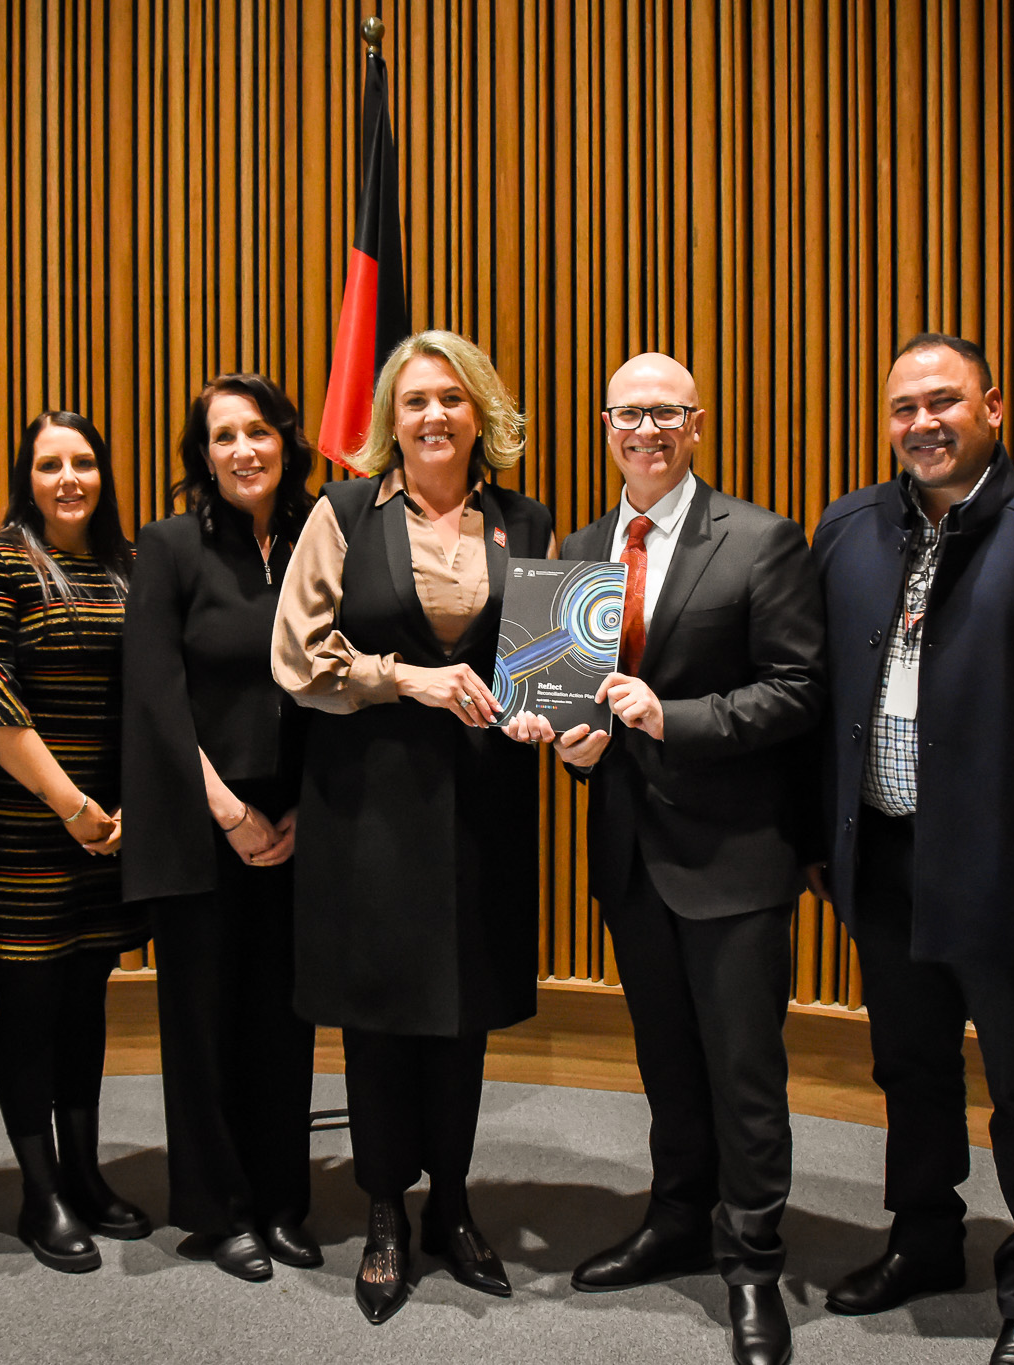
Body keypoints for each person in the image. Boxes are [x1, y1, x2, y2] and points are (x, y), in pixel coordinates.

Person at [806, 335, 1014, 1365]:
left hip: (1006, 874)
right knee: (907, 1070)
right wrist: (819, 845)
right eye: (902, 406)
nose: (921, 422)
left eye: (941, 401)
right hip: (886, 866)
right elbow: (814, 696)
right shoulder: (846, 528)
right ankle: (921, 1241)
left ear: (991, 407)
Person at [508, 352, 825, 1365]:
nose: (642, 430)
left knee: (742, 1073)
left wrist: (669, 715)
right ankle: (676, 1219)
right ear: (604, 426)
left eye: (662, 413)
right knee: (666, 1065)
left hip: (733, 860)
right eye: (624, 414)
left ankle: (752, 1264)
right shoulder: (585, 546)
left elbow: (796, 692)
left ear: (694, 424)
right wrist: (570, 742)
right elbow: (569, 706)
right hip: (631, 856)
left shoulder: (762, 538)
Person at [270, 329, 554, 1325]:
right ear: (389, 417)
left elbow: (541, 660)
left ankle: (455, 1207)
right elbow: (296, 657)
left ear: (481, 411)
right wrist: (406, 679)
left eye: (450, 398)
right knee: (380, 1013)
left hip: (481, 806)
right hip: (368, 808)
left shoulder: (525, 520)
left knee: (462, 1015)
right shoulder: (342, 511)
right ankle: (386, 1213)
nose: (431, 415)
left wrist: (541, 706)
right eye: (412, 399)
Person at [122, 374, 320, 1283]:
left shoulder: (324, 535)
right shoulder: (168, 547)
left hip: (301, 820)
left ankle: (282, 1200)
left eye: (258, 431)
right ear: (203, 454)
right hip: (202, 822)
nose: (243, 449)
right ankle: (217, 1206)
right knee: (203, 1021)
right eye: (222, 436)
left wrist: (298, 811)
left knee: (283, 1019)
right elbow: (156, 694)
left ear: (287, 440)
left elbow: (337, 672)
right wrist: (231, 812)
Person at [0, 410, 152, 1274]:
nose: (69, 478)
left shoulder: (127, 564)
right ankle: (41, 1191)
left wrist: (132, 808)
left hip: (108, 832)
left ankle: (85, 1173)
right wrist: (74, 806)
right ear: (25, 477)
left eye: (84, 462)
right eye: (49, 464)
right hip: (25, 829)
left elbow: (153, 692)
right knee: (28, 1010)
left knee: (86, 1004)